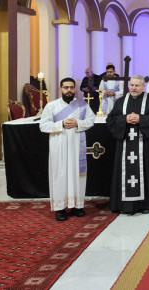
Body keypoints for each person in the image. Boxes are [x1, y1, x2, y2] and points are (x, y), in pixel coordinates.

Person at [106, 75, 149, 214]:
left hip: (145, 145)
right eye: (132, 85)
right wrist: (124, 119)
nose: (133, 88)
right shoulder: (121, 102)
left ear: (143, 86)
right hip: (125, 144)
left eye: (137, 85)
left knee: (147, 172)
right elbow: (111, 120)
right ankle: (125, 205)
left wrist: (141, 119)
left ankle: (147, 205)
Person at [40, 77, 95, 221]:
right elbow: (43, 125)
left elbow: (91, 120)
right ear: (60, 89)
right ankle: (60, 208)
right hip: (59, 145)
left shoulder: (82, 105)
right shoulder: (51, 106)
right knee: (60, 174)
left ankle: (78, 205)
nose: (69, 90)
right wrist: (61, 124)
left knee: (77, 174)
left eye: (71, 87)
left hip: (77, 145)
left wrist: (78, 123)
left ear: (75, 89)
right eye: (66, 87)